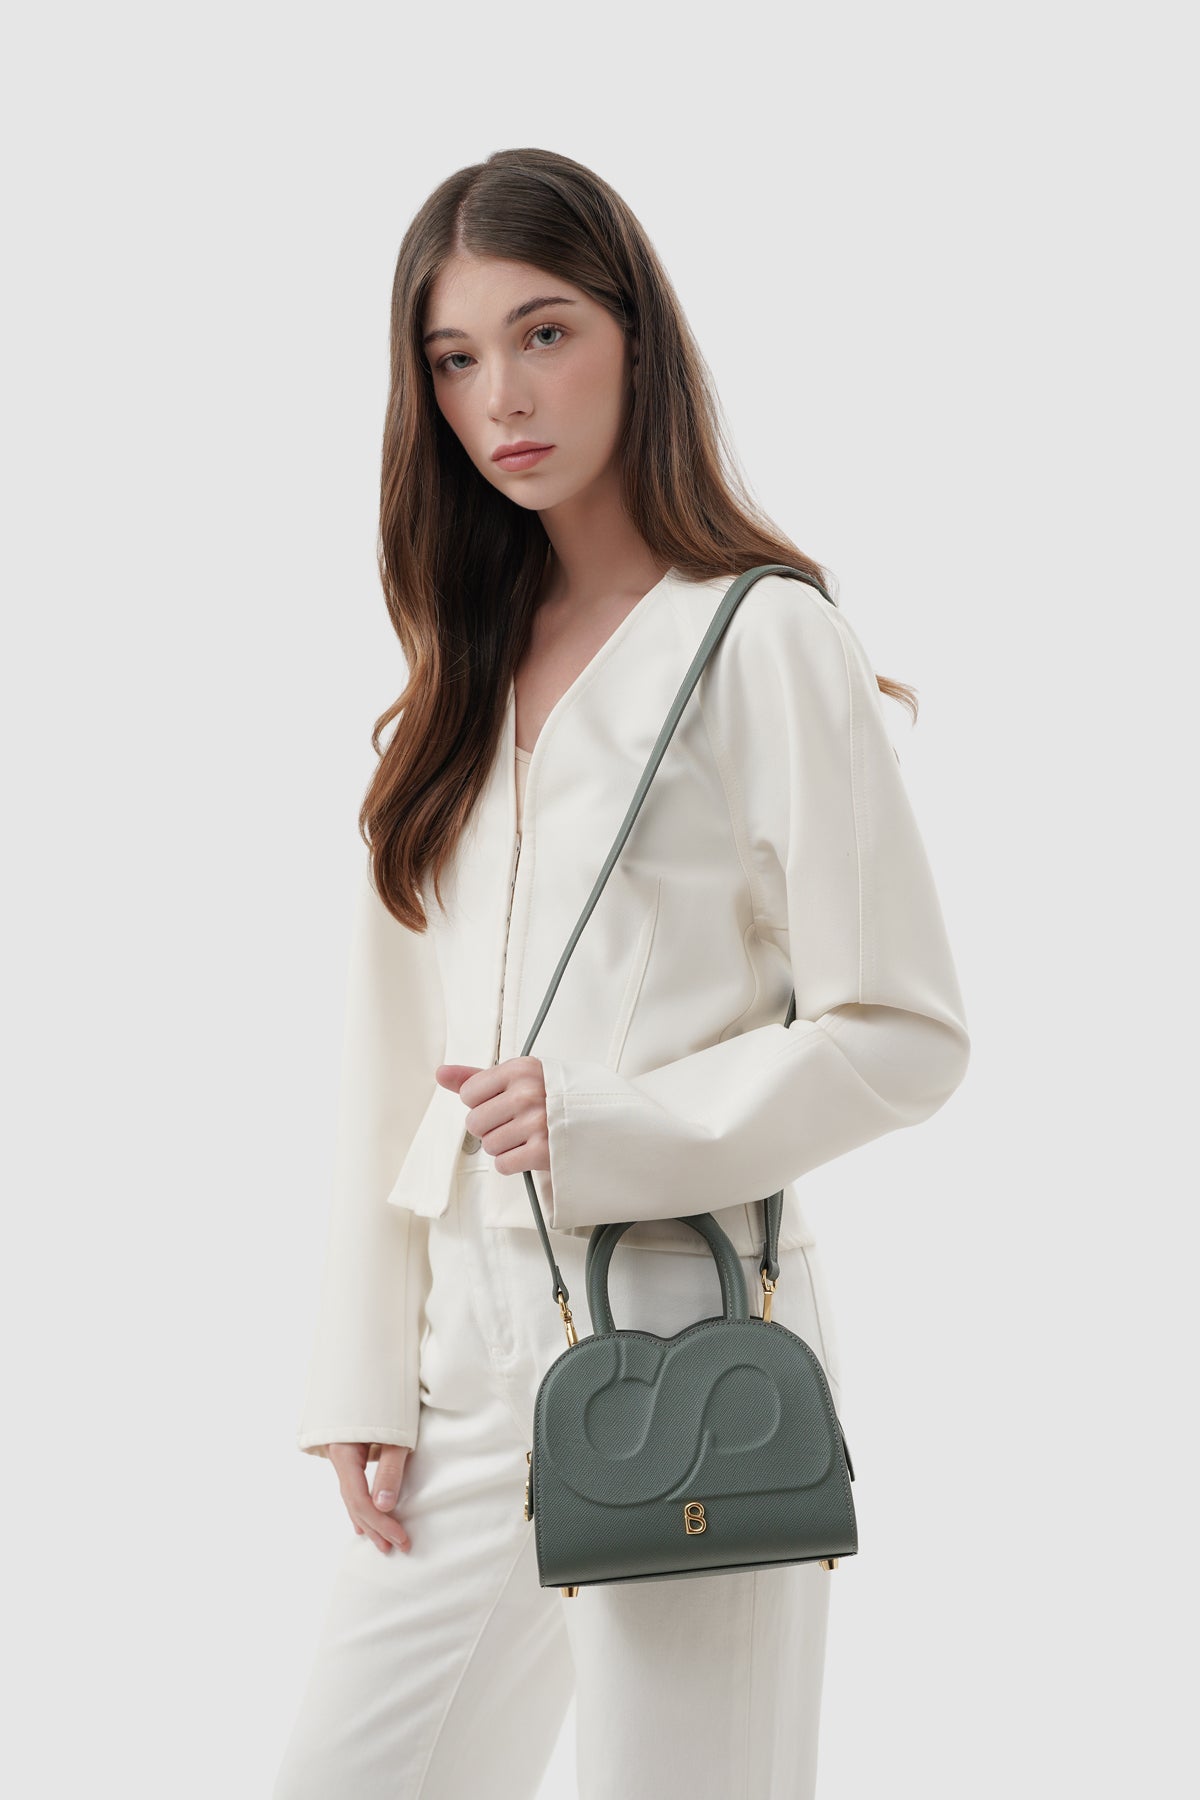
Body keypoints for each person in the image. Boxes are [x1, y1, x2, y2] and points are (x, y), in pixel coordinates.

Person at [272, 147, 970, 1800]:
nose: (502, 398)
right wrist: (364, 1365)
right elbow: (390, 1061)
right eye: (455, 359)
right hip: (465, 1367)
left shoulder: (760, 636)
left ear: (633, 339)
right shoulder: (451, 679)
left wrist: (608, 1124)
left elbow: (905, 1030)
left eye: (545, 334)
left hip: (688, 1342)